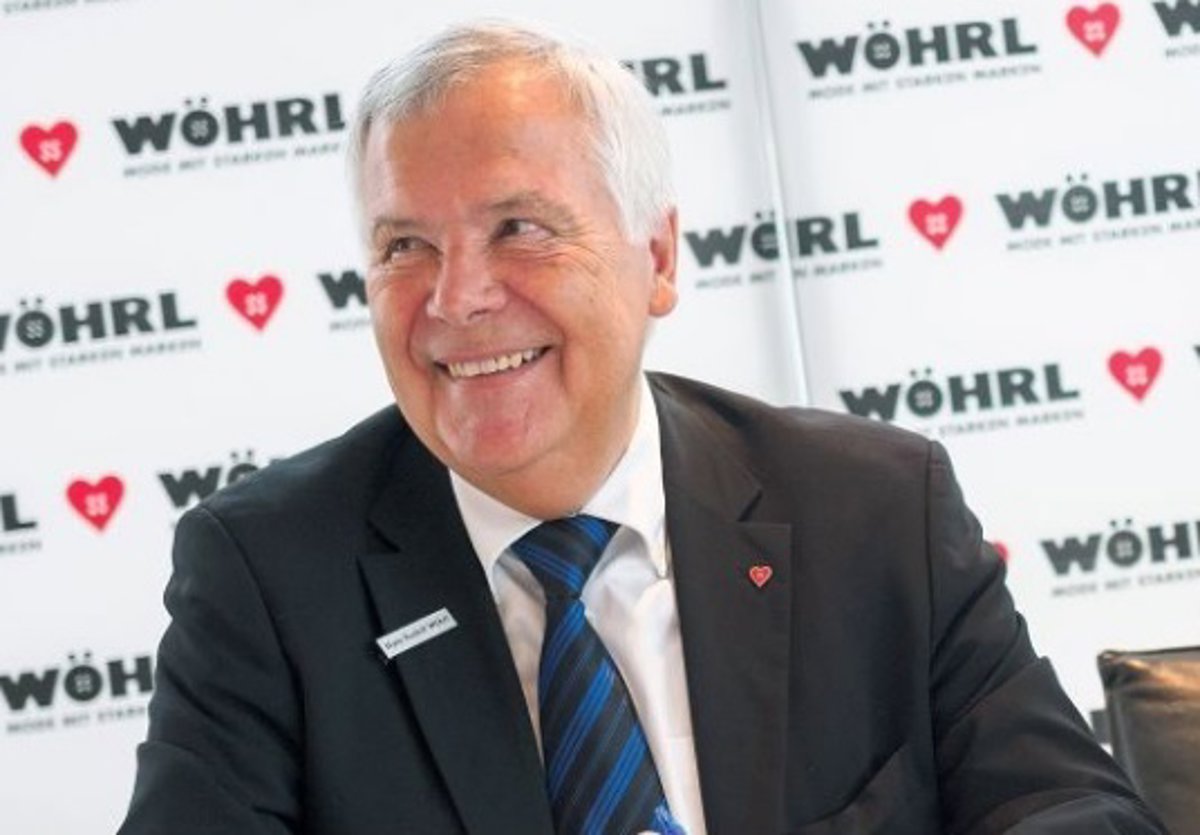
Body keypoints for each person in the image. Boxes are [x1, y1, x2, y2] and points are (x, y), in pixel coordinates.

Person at [119, 21, 1165, 835]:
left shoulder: (874, 509)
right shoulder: (269, 575)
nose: (456, 297)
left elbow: (1074, 811)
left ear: (657, 259)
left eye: (517, 228)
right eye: (405, 246)